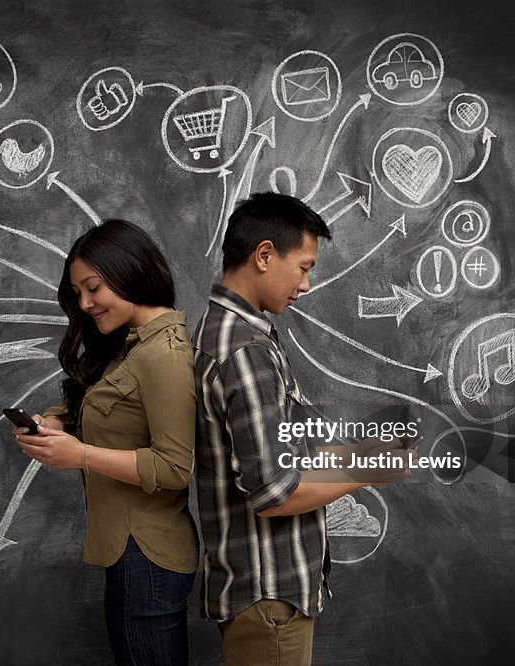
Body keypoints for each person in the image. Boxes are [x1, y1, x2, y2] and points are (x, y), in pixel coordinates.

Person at [193, 192, 416, 665]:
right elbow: (273, 493)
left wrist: (361, 452)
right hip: (269, 593)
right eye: (304, 267)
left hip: (266, 593)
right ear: (265, 255)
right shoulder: (244, 350)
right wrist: (369, 470)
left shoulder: (239, 334)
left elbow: (282, 456)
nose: (307, 284)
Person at [15, 219, 198, 666]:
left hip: (149, 555)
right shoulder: (129, 346)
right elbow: (112, 412)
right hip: (130, 551)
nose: (85, 303)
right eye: (78, 292)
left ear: (128, 271)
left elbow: (175, 468)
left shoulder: (164, 355)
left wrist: (79, 454)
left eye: (93, 288)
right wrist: (59, 424)